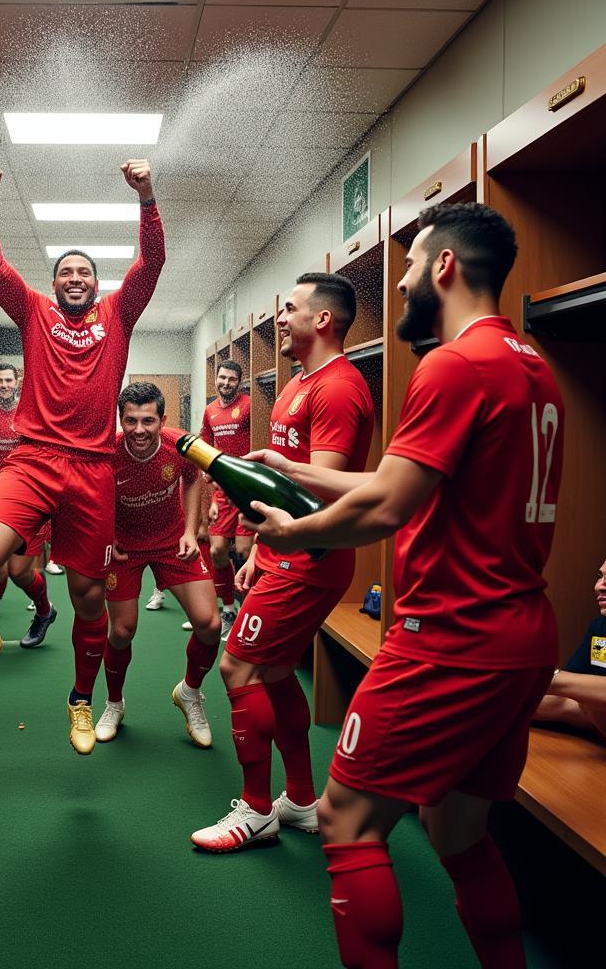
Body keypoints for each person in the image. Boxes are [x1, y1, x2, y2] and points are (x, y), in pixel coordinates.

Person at [245, 203, 563, 969]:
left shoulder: (454, 364)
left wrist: (292, 534)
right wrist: (297, 471)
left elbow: (385, 505)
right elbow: (399, 481)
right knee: (459, 833)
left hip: (452, 636)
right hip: (523, 633)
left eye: (414, 266)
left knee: (346, 817)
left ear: (445, 268)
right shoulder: (531, 363)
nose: (407, 282)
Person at [0, 158, 165, 756]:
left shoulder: (118, 313)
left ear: (96, 283)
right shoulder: (35, 312)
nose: (74, 278)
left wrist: (146, 197)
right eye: (65, 271)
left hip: (93, 470)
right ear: (55, 281)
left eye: (83, 272)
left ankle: (79, 697)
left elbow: (152, 263)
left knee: (89, 598)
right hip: (35, 459)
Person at [191, 272, 374, 852]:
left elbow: (319, 492)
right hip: (283, 553)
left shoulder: (338, 387)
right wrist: (260, 555)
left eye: (290, 308)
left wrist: (279, 548)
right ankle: (298, 801)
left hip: (313, 556)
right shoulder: (298, 383)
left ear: (322, 319)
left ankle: (255, 810)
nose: (279, 317)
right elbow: (278, 493)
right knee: (268, 673)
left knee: (237, 669)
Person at [95, 382, 221, 746]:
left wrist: (190, 529)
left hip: (171, 542)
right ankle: (114, 703)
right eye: (130, 420)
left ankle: (190, 693)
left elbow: (192, 477)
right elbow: (91, 492)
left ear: (163, 419)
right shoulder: (108, 451)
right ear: (121, 419)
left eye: (148, 421)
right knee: (122, 631)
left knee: (209, 625)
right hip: (125, 547)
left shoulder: (180, 443)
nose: (138, 430)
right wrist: (107, 535)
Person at [0, 361, 57, 648]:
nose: (4, 385)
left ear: (17, 383)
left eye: (9, 380)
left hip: (28, 499)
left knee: (20, 572)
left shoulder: (30, 411)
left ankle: (45, 611)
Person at [200, 360, 253, 638]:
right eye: (222, 378)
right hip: (221, 492)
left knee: (245, 553)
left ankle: (250, 611)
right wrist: (210, 501)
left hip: (246, 489)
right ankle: (229, 609)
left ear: (239, 382)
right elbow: (207, 457)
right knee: (218, 550)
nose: (226, 383)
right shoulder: (210, 412)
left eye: (232, 379)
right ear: (216, 379)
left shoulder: (249, 406)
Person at [534, 556, 606, 739]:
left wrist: (543, 677)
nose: (600, 586)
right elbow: (568, 699)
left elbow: (565, 686)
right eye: (600, 576)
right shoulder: (600, 628)